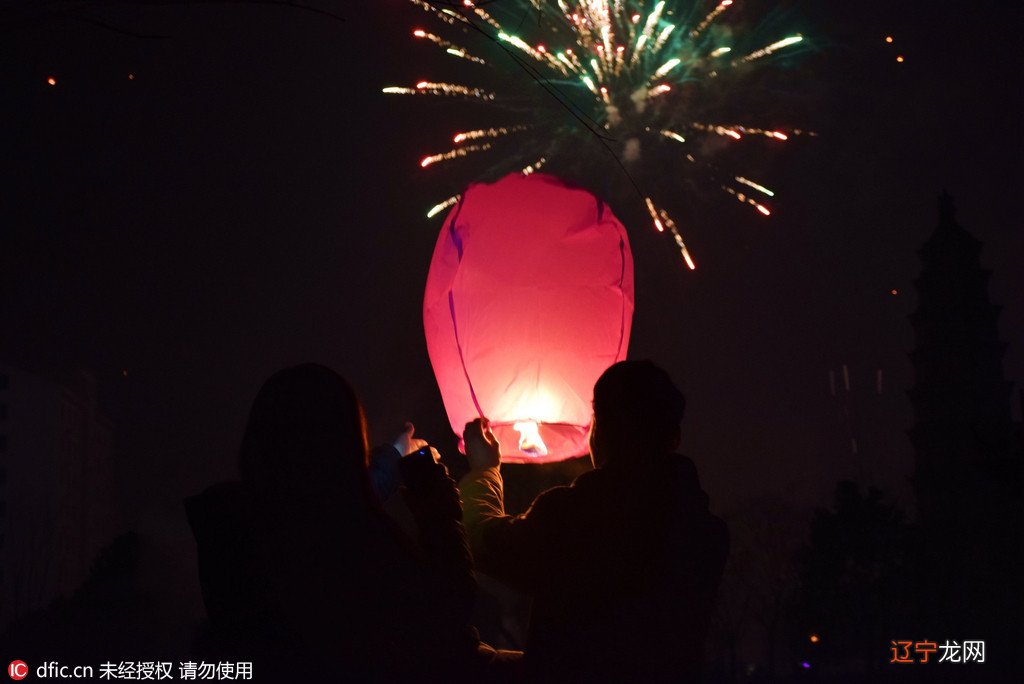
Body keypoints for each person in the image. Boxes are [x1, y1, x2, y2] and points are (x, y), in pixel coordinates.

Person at [185, 364, 481, 681]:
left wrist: (394, 457)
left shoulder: (237, 524)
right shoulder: (354, 550)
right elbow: (449, 610)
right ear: (348, 439)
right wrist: (439, 506)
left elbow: (324, 502)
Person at [459, 360, 729, 682]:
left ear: (600, 430)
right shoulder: (706, 534)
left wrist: (484, 472)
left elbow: (482, 543)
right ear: (675, 437)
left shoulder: (575, 518)